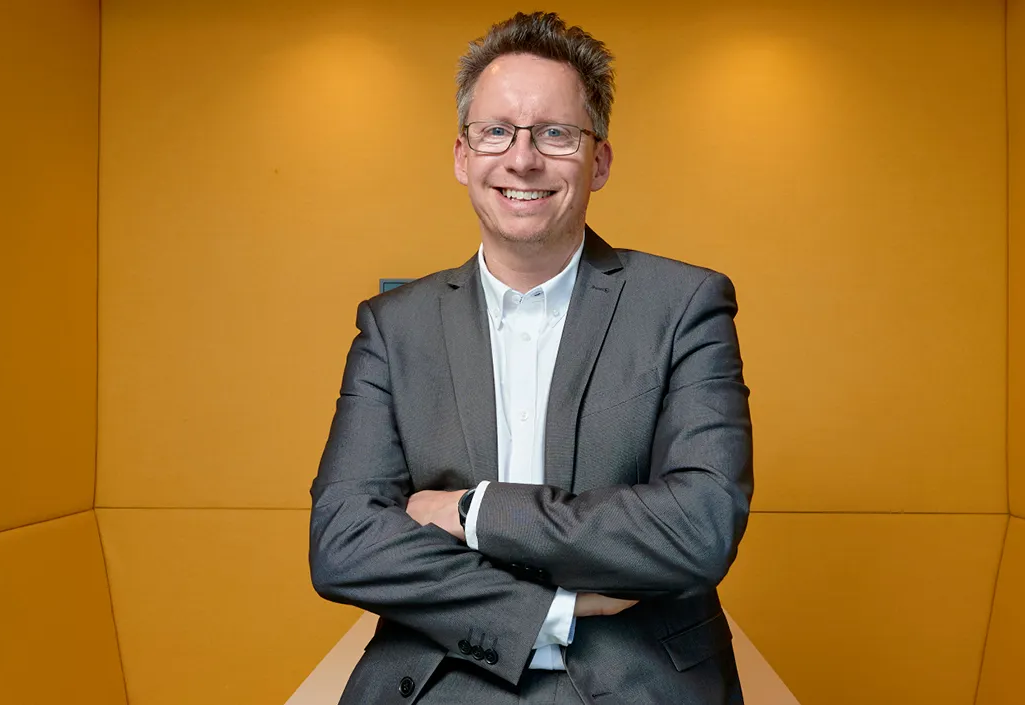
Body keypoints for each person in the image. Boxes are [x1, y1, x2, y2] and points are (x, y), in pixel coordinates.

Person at [310, 11, 752, 704]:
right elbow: (344, 542)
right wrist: (555, 611)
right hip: (443, 671)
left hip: (635, 675)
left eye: (556, 133)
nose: (523, 159)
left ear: (599, 160)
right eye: (497, 132)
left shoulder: (685, 304)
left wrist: (471, 511)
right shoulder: (394, 328)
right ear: (463, 155)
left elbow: (698, 527)